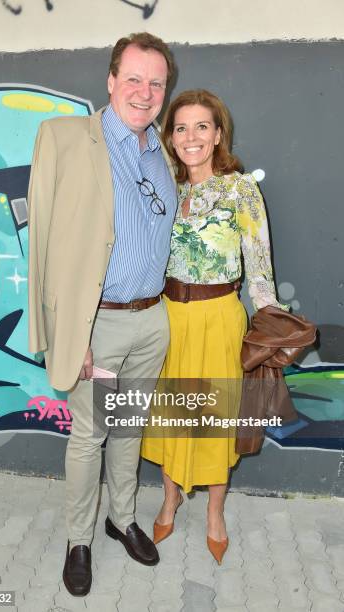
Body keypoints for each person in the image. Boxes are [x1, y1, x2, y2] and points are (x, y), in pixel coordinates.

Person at [27, 33, 177, 596]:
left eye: (156, 82)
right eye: (133, 78)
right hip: (99, 323)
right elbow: (44, 243)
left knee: (130, 427)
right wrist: (72, 330)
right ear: (111, 80)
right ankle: (78, 540)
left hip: (151, 320)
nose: (144, 92)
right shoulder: (65, 139)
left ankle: (122, 518)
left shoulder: (160, 150)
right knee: (89, 437)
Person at [141, 89, 287, 564]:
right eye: (181, 127)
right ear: (171, 137)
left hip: (220, 317)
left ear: (218, 133)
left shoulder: (240, 188)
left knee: (215, 420)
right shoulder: (166, 188)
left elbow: (259, 267)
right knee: (169, 415)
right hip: (167, 316)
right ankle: (169, 499)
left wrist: (272, 325)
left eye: (202, 126)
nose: (191, 137)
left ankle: (215, 514)